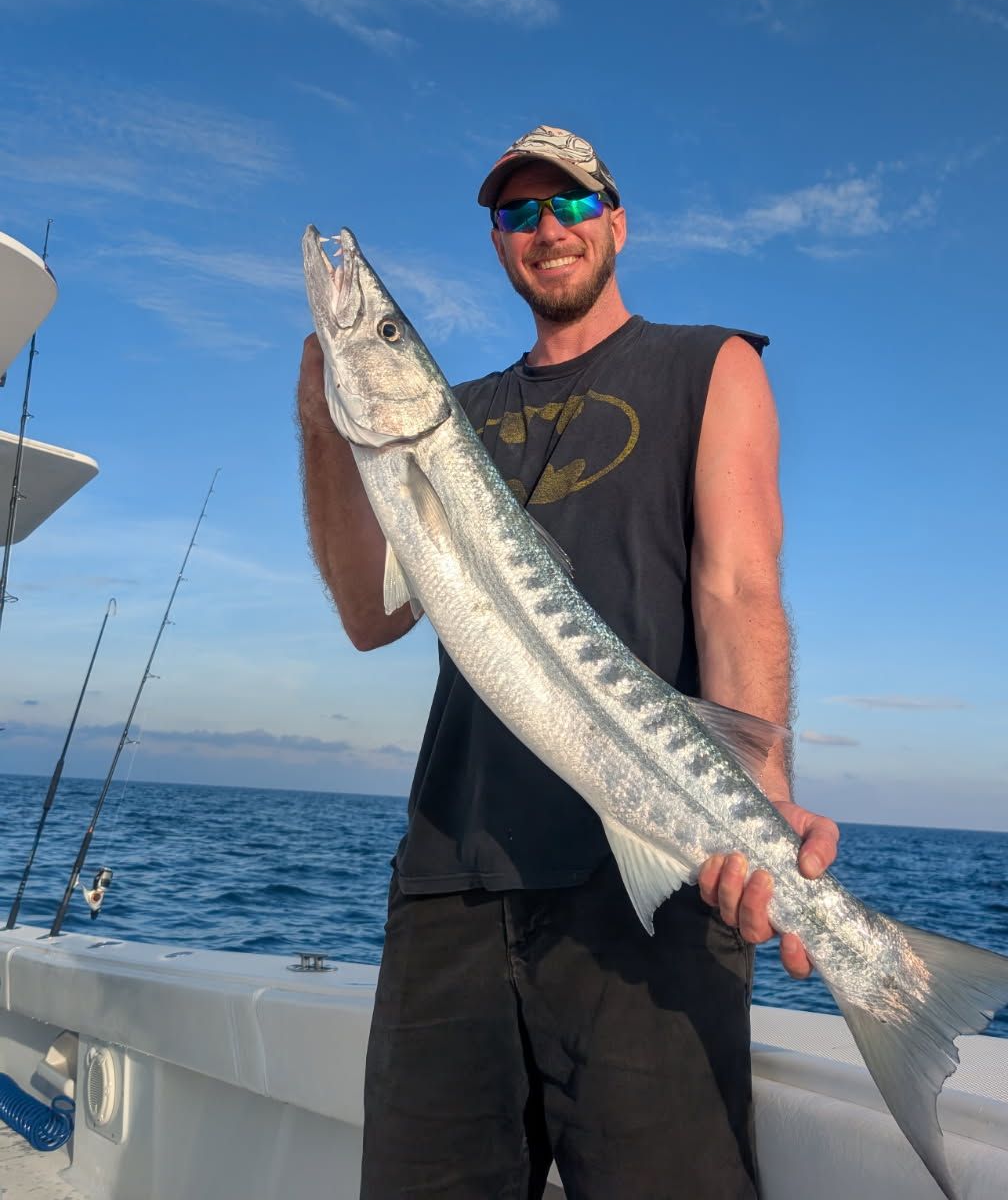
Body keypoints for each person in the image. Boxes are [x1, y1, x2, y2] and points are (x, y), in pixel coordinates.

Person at [298, 125, 839, 1200]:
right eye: (517, 213)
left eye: (572, 206)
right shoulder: (459, 416)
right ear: (499, 243)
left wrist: (762, 799)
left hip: (649, 883)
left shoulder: (708, 363)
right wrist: (327, 418)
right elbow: (370, 615)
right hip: (450, 881)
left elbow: (737, 587)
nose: (547, 229)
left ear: (616, 222)